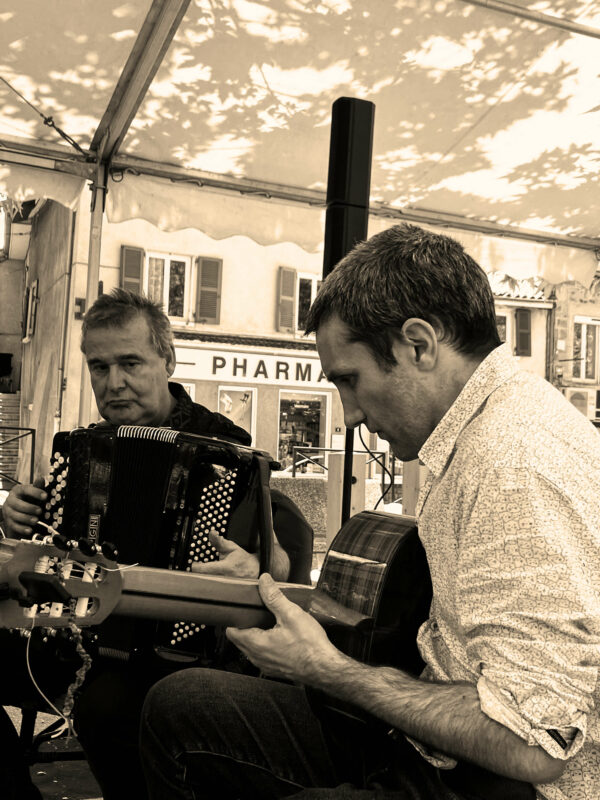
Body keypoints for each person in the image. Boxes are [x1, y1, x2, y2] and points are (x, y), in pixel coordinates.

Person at [139, 223, 600, 800]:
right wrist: (273, 588)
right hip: (431, 737)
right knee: (180, 705)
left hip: (489, 780)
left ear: (419, 344)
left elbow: (531, 742)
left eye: (349, 380)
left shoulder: (515, 464)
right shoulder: (481, 433)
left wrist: (326, 669)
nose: (349, 414)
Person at [0, 288, 313, 800]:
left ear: (167, 360)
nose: (113, 383)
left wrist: (261, 565)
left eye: (130, 363)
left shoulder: (226, 449)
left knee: (106, 708)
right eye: (98, 367)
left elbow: (283, 551)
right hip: (74, 635)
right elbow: (50, 547)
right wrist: (19, 517)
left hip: (177, 652)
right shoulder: (81, 450)